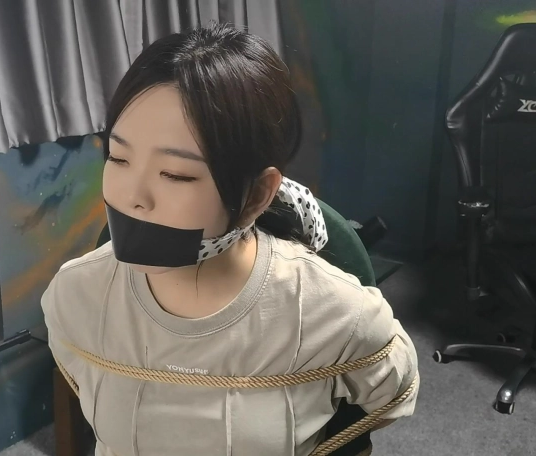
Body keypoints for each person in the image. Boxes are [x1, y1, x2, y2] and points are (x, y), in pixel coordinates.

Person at [41, 23, 419, 456]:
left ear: (255, 195)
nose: (133, 197)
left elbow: (390, 397)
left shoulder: (335, 314)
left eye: (175, 174)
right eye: (119, 157)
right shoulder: (76, 295)